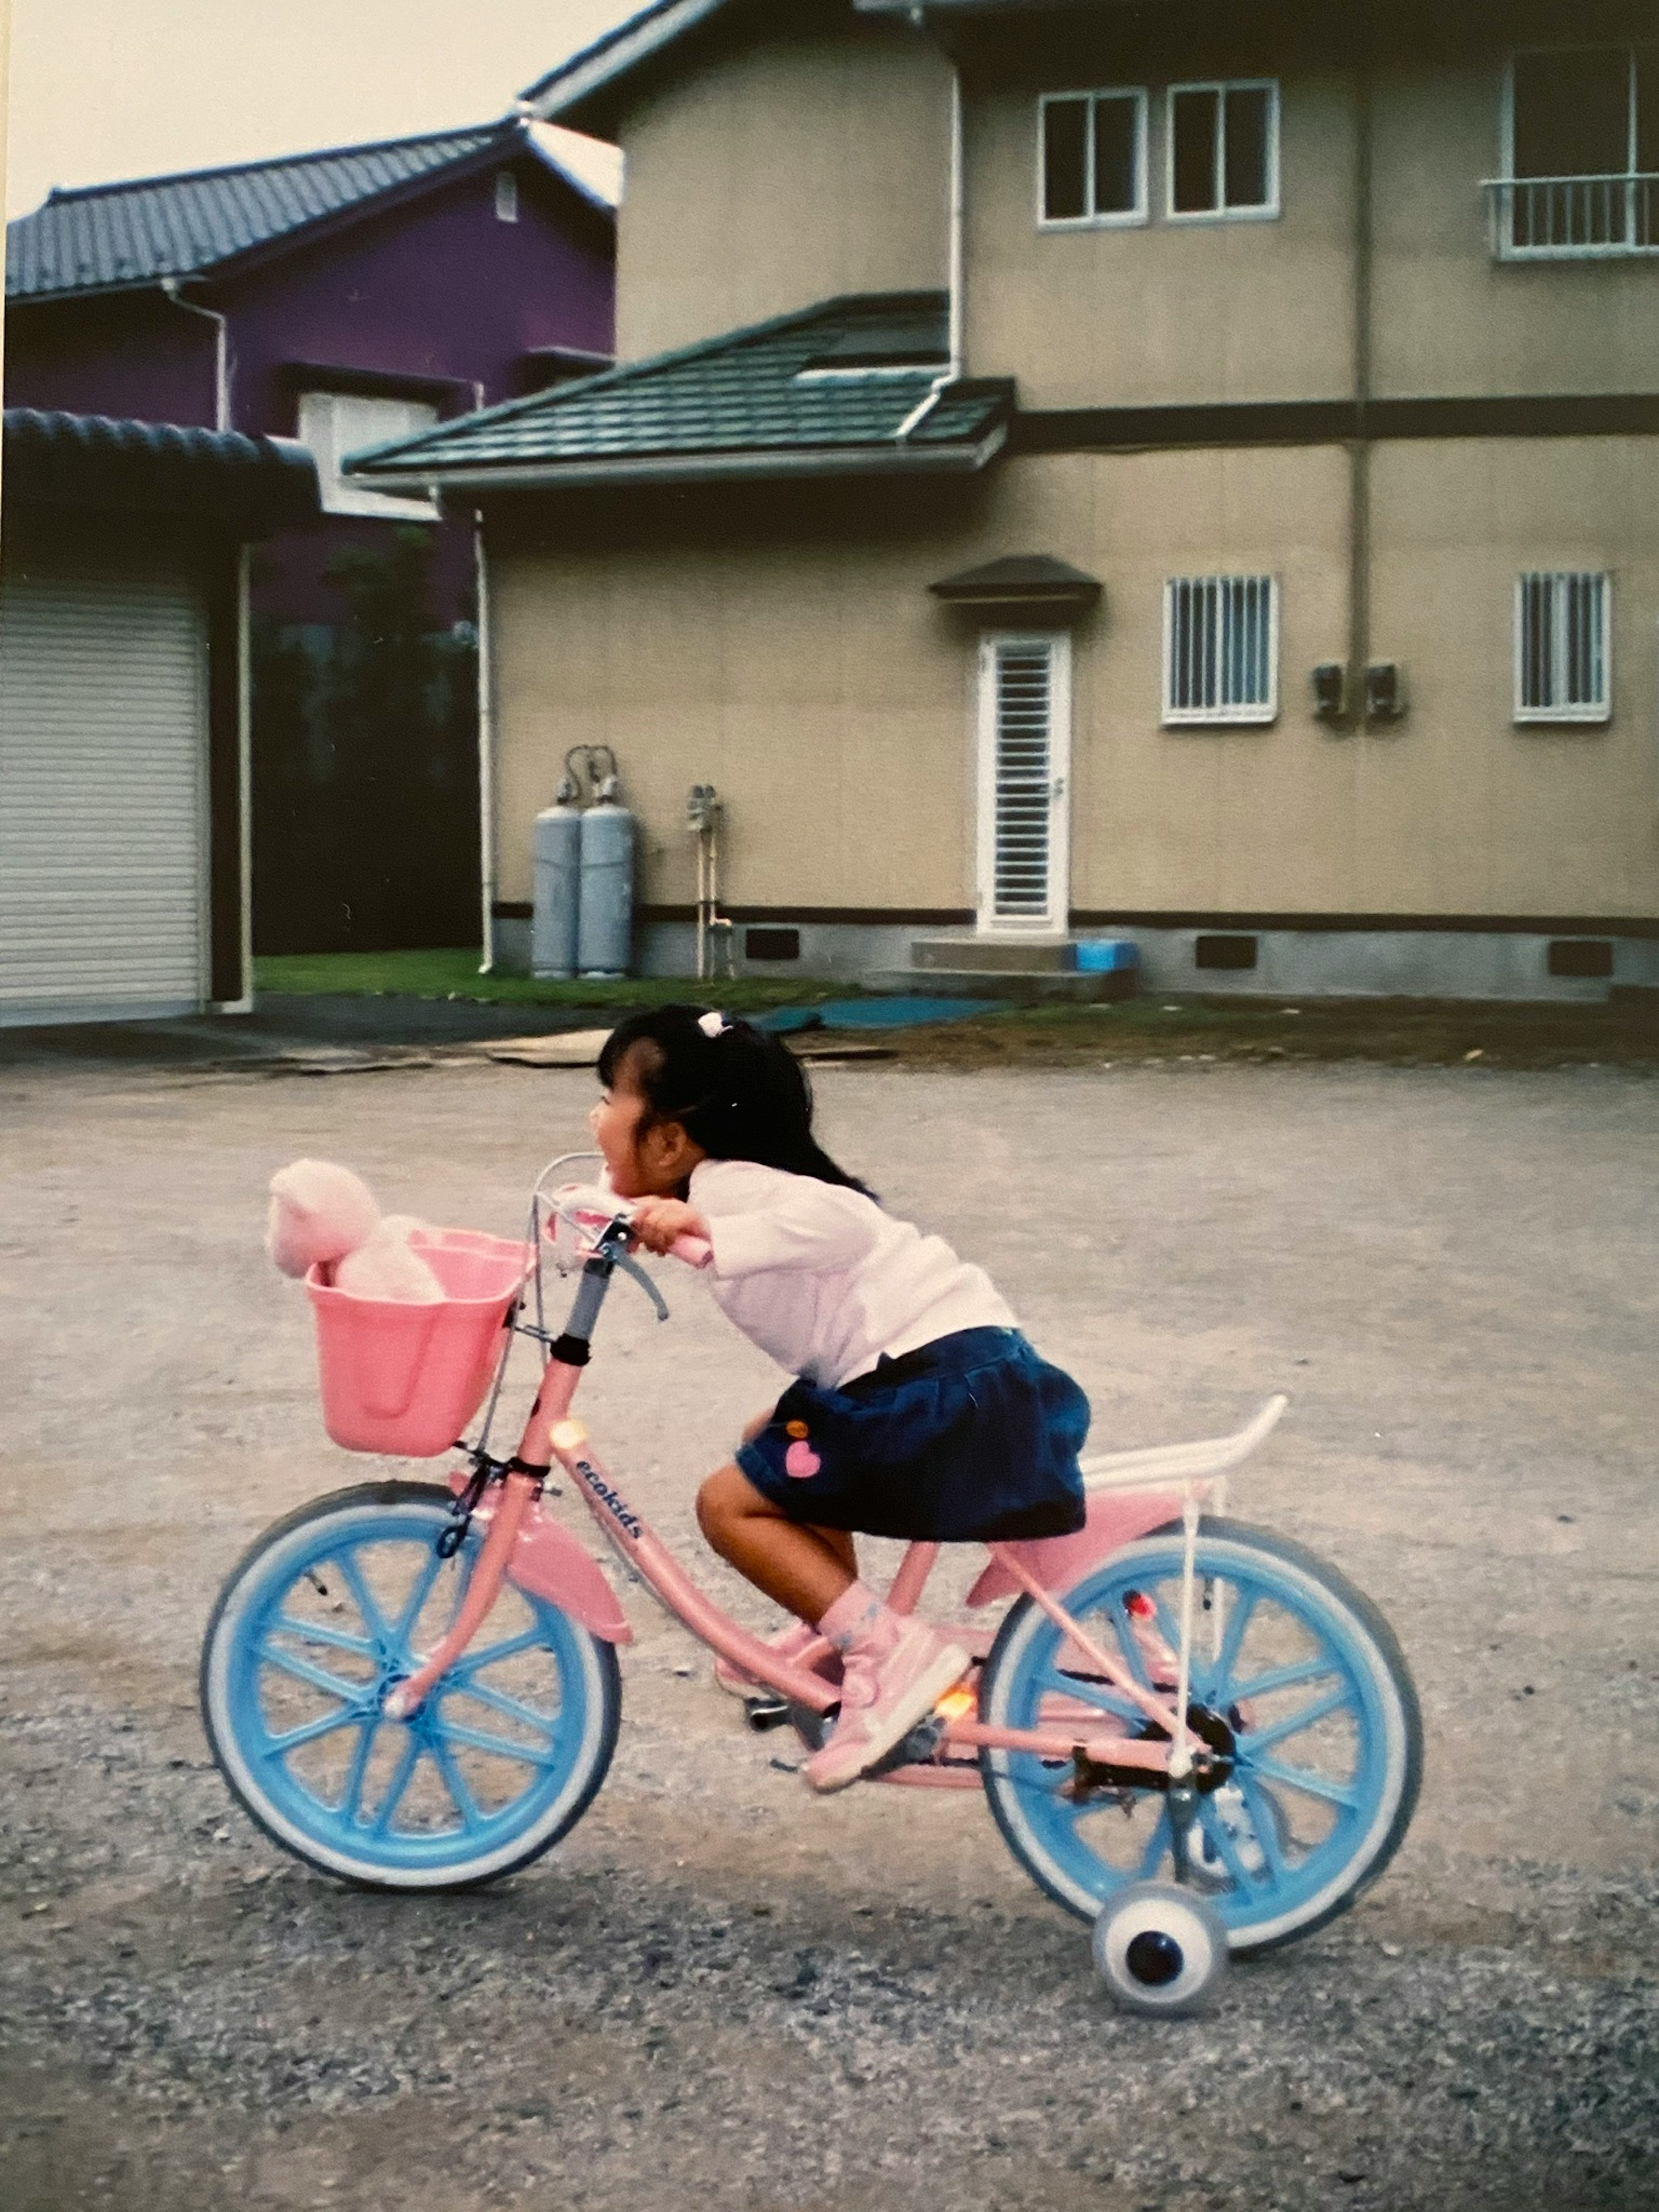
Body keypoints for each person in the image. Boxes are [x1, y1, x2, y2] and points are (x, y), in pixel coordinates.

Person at [588, 1004, 1091, 1792]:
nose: (595, 1117)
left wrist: (711, 1228)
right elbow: (617, 1201)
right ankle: (834, 1632)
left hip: (941, 1382)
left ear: (670, 1141)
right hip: (960, 1372)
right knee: (781, 1437)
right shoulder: (716, 1183)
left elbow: (847, 1221)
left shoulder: (733, 1188)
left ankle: (887, 1652)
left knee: (730, 1505)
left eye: (609, 1098)